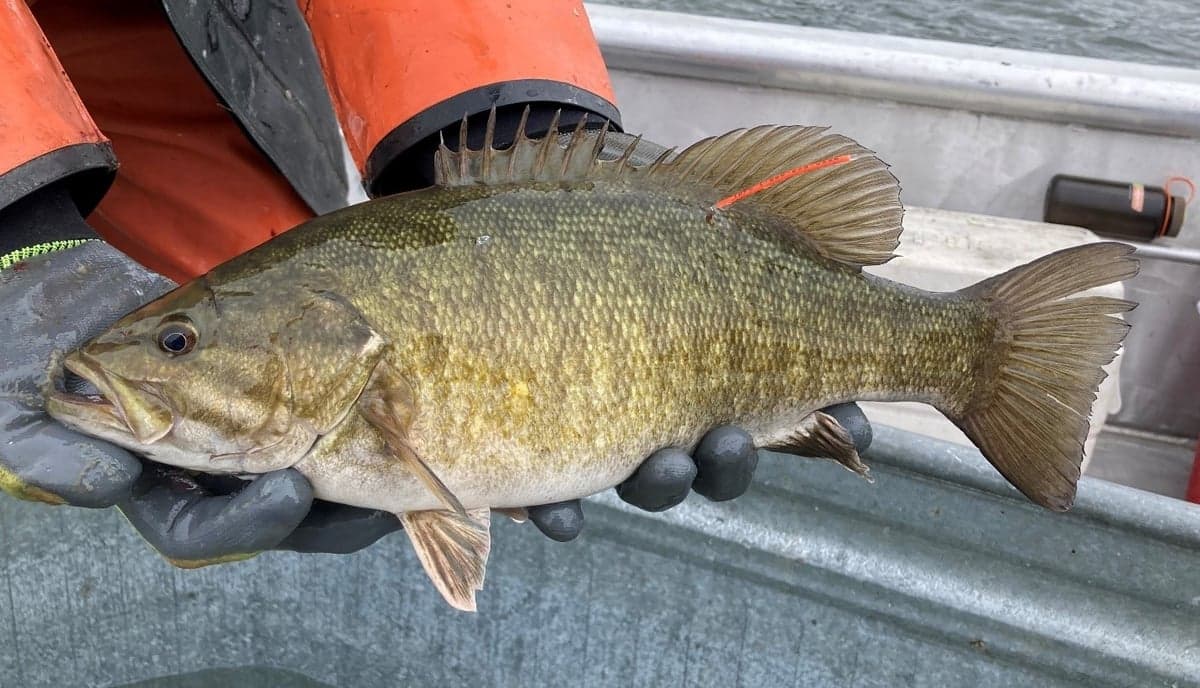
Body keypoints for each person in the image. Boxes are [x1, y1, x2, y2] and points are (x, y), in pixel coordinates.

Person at [0, 0, 871, 568]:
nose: (167, 350)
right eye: (175, 344)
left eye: (175, 345)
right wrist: (15, 228)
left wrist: (507, 114)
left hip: (219, 108)